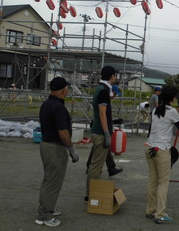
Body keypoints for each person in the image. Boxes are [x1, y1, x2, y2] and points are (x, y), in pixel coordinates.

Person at [144, 85, 179, 224]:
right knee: (163, 182)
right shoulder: (172, 111)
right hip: (161, 150)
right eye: (174, 96)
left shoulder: (156, 109)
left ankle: (150, 210)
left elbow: (152, 128)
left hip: (150, 147)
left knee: (153, 180)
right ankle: (160, 214)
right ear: (172, 98)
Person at [36, 77, 79, 227]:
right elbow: (63, 133)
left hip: (46, 145)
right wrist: (72, 150)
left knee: (49, 180)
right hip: (55, 148)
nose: (68, 91)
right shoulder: (58, 107)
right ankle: (45, 216)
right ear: (64, 90)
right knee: (52, 182)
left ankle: (48, 208)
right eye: (67, 88)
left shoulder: (47, 104)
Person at [85, 66, 116, 201]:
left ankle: (91, 192)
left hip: (98, 130)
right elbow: (102, 113)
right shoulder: (103, 90)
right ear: (112, 76)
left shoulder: (101, 89)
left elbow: (104, 107)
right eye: (115, 75)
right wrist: (107, 133)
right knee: (96, 166)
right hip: (100, 132)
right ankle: (90, 194)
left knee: (97, 164)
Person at [86, 84, 123, 177]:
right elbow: (102, 115)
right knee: (101, 148)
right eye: (114, 93)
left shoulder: (107, 100)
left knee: (100, 148)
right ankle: (108, 168)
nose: (115, 96)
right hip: (101, 130)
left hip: (100, 128)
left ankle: (110, 168)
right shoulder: (103, 96)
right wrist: (107, 132)